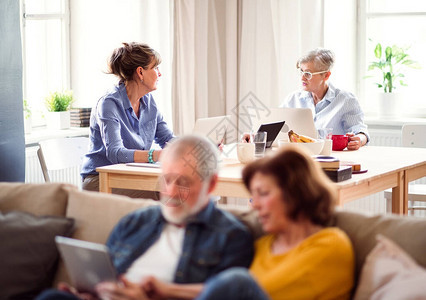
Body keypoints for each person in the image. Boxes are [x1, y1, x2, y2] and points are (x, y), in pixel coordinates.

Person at [37, 135, 254, 300]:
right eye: (167, 179)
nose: (171, 192)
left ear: (212, 184)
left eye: (184, 182)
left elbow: (220, 293)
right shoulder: (136, 221)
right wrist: (90, 293)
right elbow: (108, 278)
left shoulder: (232, 236)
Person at [139, 145, 355, 300]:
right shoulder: (263, 246)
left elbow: (254, 290)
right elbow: (221, 292)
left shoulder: (331, 244)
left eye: (263, 193)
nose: (255, 205)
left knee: (238, 280)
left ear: (296, 192)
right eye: (253, 196)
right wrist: (164, 290)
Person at [81, 42, 174, 196]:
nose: (160, 73)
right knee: (167, 193)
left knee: (191, 187)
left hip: (131, 175)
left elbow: (167, 139)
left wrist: (197, 147)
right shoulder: (109, 104)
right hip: (100, 180)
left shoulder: (149, 102)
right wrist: (156, 155)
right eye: (155, 68)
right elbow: (115, 153)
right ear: (140, 72)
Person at [281, 48, 369, 150]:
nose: (302, 78)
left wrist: (360, 139)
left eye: (308, 74)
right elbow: (276, 125)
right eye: (301, 71)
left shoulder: (346, 100)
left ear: (326, 75)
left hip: (333, 158)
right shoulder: (293, 99)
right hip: (299, 158)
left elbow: (359, 129)